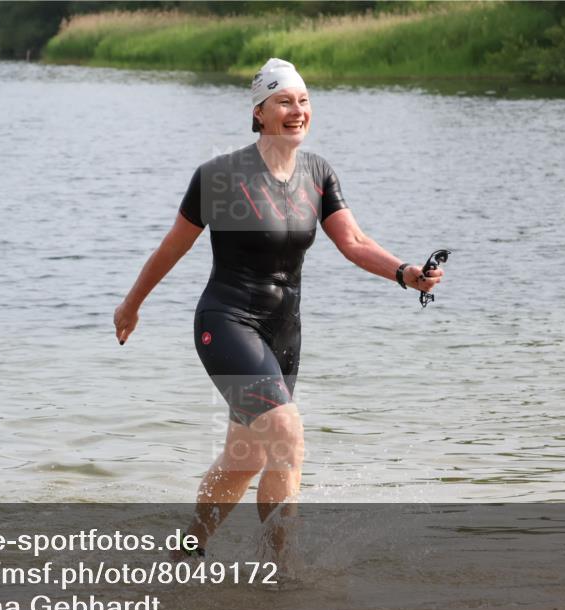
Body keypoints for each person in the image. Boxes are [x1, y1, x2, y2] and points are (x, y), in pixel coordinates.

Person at [113, 58, 445, 559]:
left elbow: (354, 242)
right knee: (287, 434)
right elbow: (172, 247)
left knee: (245, 457)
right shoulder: (220, 176)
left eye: (304, 101)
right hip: (227, 322)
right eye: (284, 101)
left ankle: (186, 552)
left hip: (284, 332)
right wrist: (132, 304)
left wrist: (405, 273)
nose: (297, 111)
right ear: (259, 112)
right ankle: (279, 572)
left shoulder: (318, 173)